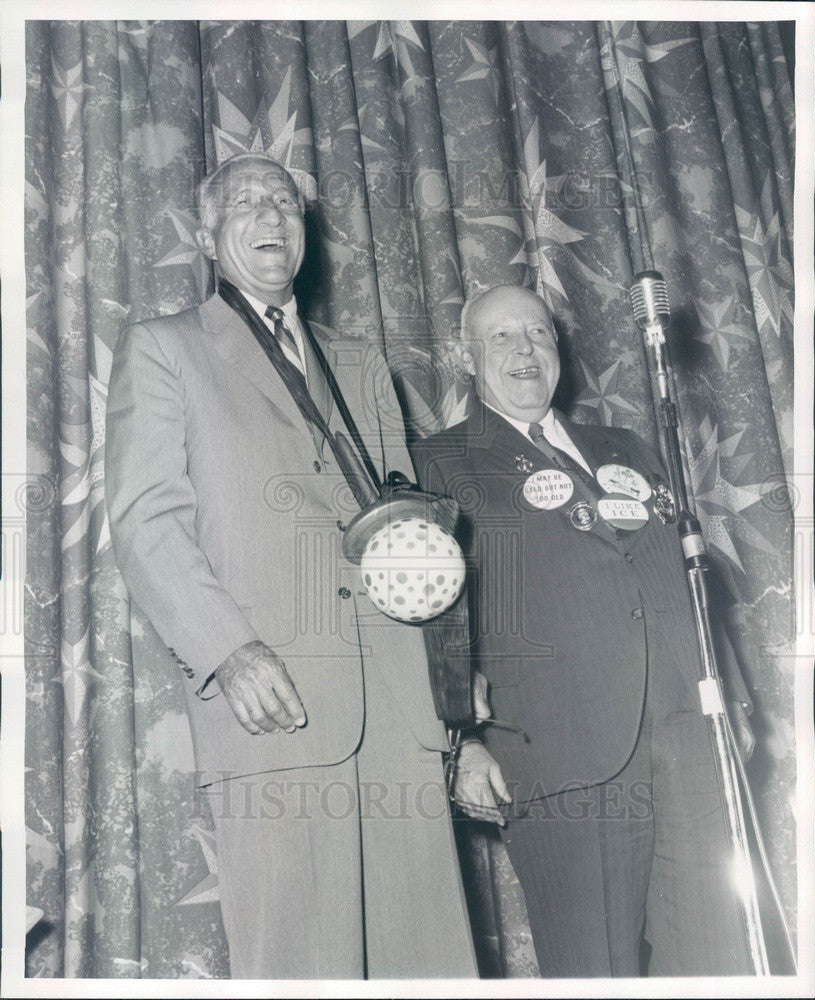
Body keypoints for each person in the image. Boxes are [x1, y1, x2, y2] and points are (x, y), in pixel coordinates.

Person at [105, 153, 477, 979]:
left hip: (398, 708)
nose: (271, 216)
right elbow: (145, 521)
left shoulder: (361, 362)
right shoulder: (164, 350)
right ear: (207, 234)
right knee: (300, 962)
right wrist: (228, 651)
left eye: (285, 203)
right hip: (275, 702)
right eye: (246, 203)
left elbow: (406, 532)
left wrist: (453, 703)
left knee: (427, 963)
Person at [411, 283, 756, 977]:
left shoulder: (623, 445)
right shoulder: (438, 463)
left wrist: (734, 700)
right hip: (559, 753)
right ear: (468, 361)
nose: (523, 349)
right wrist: (462, 740)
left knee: (715, 955)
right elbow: (433, 618)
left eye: (537, 333)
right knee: (591, 967)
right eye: (501, 337)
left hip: (688, 735)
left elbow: (682, 569)